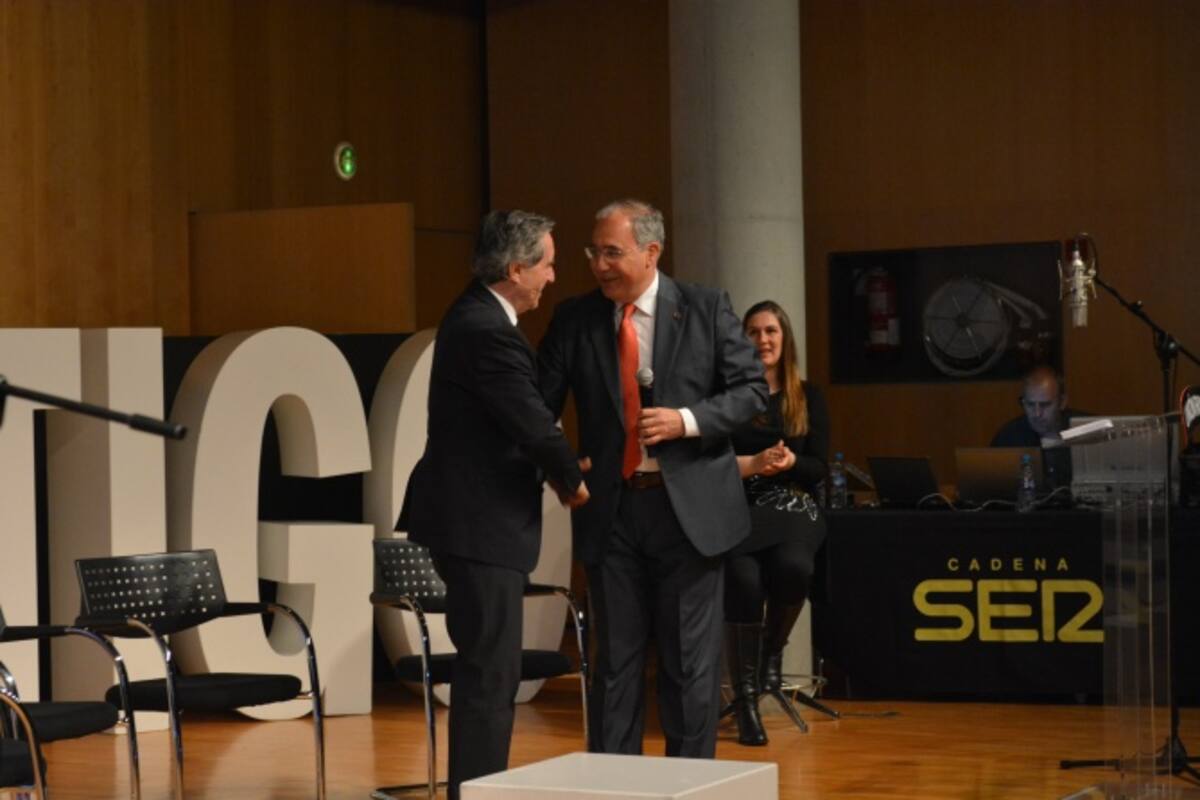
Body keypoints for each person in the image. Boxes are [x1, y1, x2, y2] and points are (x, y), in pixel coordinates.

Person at [538, 199, 767, 758]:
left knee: (689, 667)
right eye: (593, 252)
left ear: (651, 252)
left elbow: (751, 392)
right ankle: (617, 788)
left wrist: (686, 421)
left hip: (688, 514)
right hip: (612, 512)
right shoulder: (575, 318)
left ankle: (687, 785)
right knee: (614, 664)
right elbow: (537, 406)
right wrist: (559, 468)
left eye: (612, 253)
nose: (599, 265)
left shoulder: (705, 308)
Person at [402, 209, 589, 800]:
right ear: (515, 269)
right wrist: (570, 479)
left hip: (474, 522)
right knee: (490, 675)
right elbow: (531, 421)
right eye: (547, 265)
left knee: (490, 671)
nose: (552, 277)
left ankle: (477, 789)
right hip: (478, 525)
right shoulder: (486, 329)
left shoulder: (475, 316)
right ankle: (476, 793)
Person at [725, 300, 829, 746]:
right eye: (753, 332)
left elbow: (819, 467)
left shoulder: (808, 395)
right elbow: (713, 461)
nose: (762, 339)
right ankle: (746, 699)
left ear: (785, 339)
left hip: (792, 504)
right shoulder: (730, 397)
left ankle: (771, 658)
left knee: (794, 568)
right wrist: (754, 463)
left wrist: (789, 463)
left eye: (771, 331)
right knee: (742, 581)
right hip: (740, 505)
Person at [991, 365, 1079, 488]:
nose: (1037, 413)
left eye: (1045, 405)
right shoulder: (1008, 437)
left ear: (1062, 402)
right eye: (1030, 404)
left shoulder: (1088, 430)